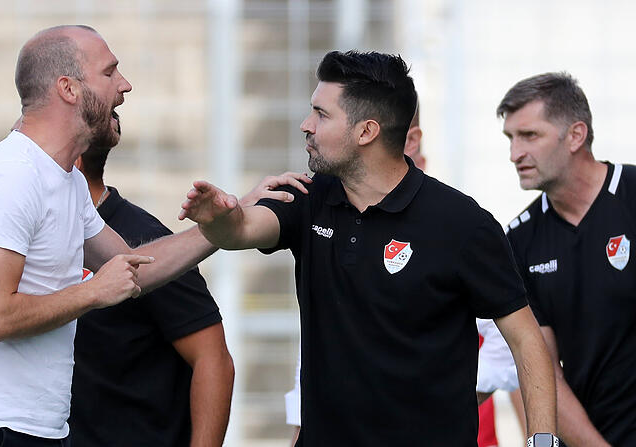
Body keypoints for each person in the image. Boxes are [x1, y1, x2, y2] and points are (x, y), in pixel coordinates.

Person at [179, 50, 557, 446]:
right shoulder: (309, 197)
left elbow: (526, 340)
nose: (306, 125)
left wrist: (543, 442)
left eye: (321, 114)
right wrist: (218, 216)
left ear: (366, 132)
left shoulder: (462, 224)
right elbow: (241, 230)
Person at [0, 25, 232, 446]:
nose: (124, 86)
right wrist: (93, 293)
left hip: (36, 433)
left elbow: (133, 271)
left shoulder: (63, 179)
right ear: (68, 88)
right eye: (109, 73)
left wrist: (226, 227)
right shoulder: (12, 177)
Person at [283, 106, 519, 447]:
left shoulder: (460, 223)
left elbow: (515, 344)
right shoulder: (330, 209)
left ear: (410, 140)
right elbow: (319, 352)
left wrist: (423, 399)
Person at [69, 116, 311, 446]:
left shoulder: (146, 240)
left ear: (72, 158)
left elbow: (214, 360)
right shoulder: (41, 237)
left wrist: (236, 212)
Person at [499, 72, 636, 446]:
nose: (515, 154)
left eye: (530, 136)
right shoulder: (519, 241)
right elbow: (543, 374)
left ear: (575, 135)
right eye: (510, 139)